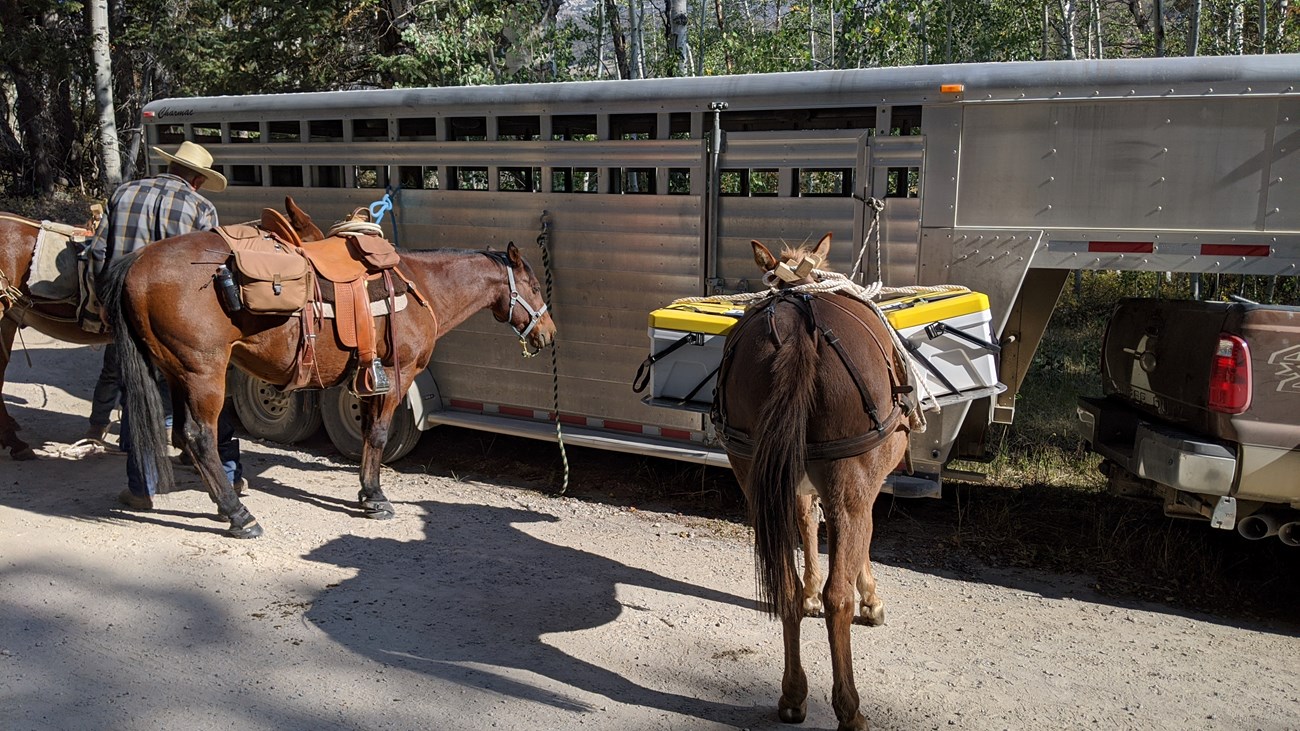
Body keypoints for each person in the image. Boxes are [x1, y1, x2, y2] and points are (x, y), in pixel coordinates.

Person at [90, 141, 246, 510]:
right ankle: (228, 471)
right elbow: (214, 265)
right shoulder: (199, 206)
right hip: (181, 317)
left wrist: (102, 302)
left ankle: (141, 486)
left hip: (126, 307)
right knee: (203, 391)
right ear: (196, 178)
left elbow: (98, 252)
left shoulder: (125, 192)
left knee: (139, 392)